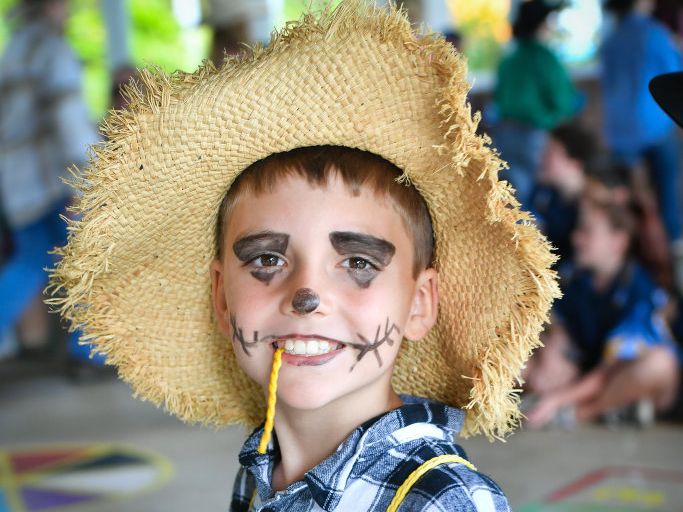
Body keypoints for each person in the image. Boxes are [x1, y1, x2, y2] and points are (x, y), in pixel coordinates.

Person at [49, 2, 559, 510]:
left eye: (358, 262)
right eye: (267, 260)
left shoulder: (441, 501)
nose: (307, 296)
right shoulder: (261, 468)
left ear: (420, 303)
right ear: (221, 298)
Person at [526, 197, 680, 428]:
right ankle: (619, 410)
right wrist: (553, 349)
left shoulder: (640, 289)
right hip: (591, 372)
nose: (576, 238)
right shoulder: (578, 278)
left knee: (660, 364)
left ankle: (582, 413)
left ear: (618, 242)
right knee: (527, 365)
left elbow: (611, 369)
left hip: (626, 376)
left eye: (587, 231)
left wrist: (558, 398)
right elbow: (557, 323)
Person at [0, 0, 98, 359]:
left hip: (19, 184)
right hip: (55, 182)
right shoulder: (53, 51)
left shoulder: (13, 51)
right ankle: (91, 353)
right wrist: (87, 178)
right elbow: (69, 120)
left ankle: (89, 351)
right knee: (89, 260)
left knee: (27, 263)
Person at [600, 0, 682, 245]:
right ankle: (675, 249)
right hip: (654, 126)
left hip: (619, 132)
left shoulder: (610, 39)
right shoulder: (654, 33)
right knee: (667, 193)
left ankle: (634, 250)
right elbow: (675, 71)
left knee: (624, 201)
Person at [492, 0, 581, 206]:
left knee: (510, 193)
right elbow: (563, 103)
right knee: (533, 198)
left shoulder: (509, 60)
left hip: (503, 134)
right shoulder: (545, 59)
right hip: (534, 136)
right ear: (540, 25)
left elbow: (498, 99)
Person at [530, 122, 597, 274]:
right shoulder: (545, 191)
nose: (542, 157)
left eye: (551, 153)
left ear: (575, 164)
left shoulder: (590, 213)